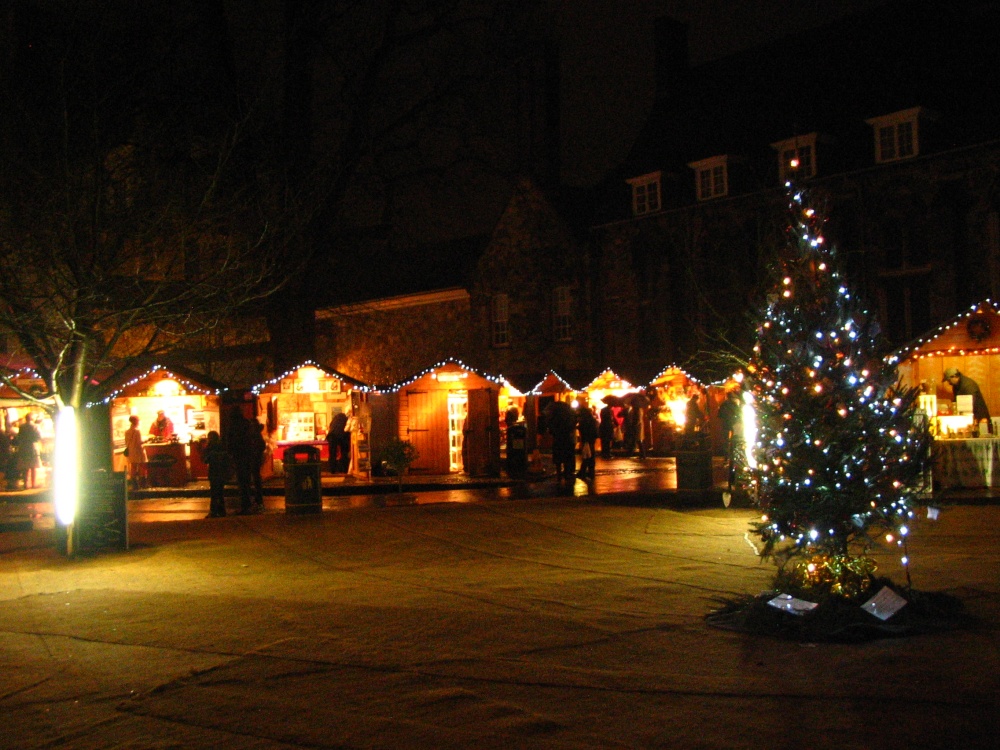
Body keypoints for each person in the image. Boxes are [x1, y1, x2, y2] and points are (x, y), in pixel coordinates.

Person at [225, 407, 258, 514]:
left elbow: (230, 441)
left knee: (242, 481)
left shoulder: (233, 426)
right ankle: (248, 504)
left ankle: (245, 505)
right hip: (248, 454)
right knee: (246, 480)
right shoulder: (247, 424)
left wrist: (230, 453)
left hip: (239, 455)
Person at [202, 431, 229, 518]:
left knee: (214, 493)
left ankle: (213, 511)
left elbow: (205, 460)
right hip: (221, 472)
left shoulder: (210, 448)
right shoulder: (222, 447)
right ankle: (222, 510)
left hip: (214, 472)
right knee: (220, 492)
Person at [14, 415, 42, 490]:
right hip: (33, 447)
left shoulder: (22, 426)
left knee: (25, 467)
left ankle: (26, 484)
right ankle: (33, 484)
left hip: (24, 447)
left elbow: (19, 436)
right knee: (33, 466)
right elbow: (39, 436)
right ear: (32, 418)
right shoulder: (36, 426)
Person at [124, 415, 148, 491]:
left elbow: (126, 442)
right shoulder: (137, 431)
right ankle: (143, 483)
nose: (138, 422)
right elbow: (139, 442)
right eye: (138, 420)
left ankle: (134, 484)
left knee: (133, 467)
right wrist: (146, 440)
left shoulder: (127, 431)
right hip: (138, 451)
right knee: (142, 466)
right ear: (135, 421)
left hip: (131, 452)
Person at [718, 390, 743, 462]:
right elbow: (739, 413)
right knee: (734, 438)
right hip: (733, 423)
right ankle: (733, 454)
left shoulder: (723, 404)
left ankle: (726, 456)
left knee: (725, 439)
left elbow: (720, 414)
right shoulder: (734, 404)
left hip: (725, 423)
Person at [576, 405, 598, 480]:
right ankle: (589, 472)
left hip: (586, 440)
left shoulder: (584, 421)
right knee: (590, 456)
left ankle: (584, 472)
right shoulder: (592, 420)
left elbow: (583, 430)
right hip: (591, 440)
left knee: (587, 456)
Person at [250, 421, 267, 509]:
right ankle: (258, 499)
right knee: (256, 479)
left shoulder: (254, 435)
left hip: (254, 459)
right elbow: (263, 446)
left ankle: (258, 499)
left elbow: (261, 446)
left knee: (256, 479)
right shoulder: (257, 434)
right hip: (256, 459)